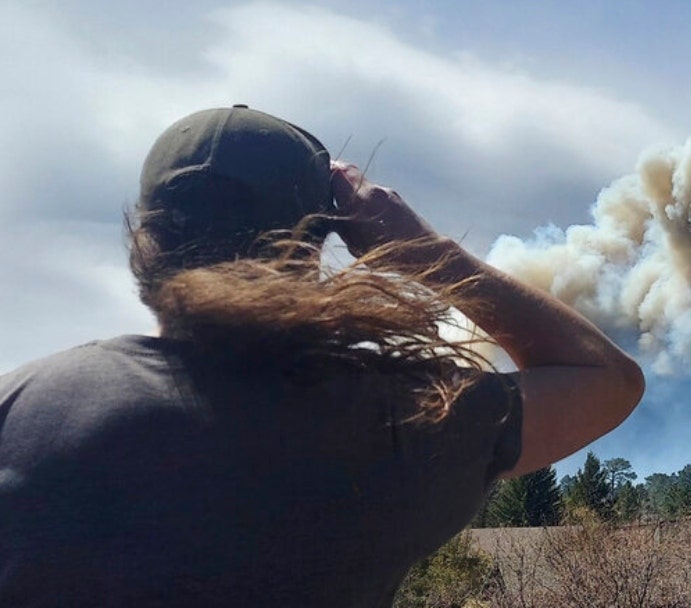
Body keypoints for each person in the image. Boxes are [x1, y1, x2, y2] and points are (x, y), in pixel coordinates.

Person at [0, 105, 644, 607]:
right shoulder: (394, 425)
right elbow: (606, 380)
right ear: (313, 252)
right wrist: (425, 255)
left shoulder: (21, 406)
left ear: (145, 245)